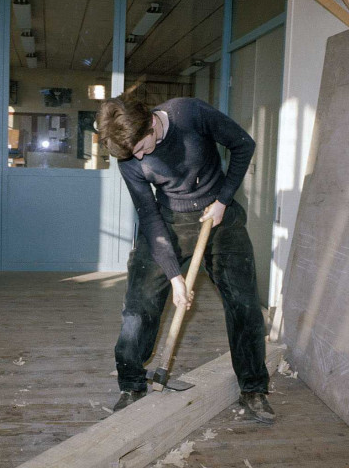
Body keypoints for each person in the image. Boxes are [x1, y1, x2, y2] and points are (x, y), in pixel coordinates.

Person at [96, 95, 274, 424]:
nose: (137, 157)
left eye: (140, 148)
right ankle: (132, 384)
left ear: (150, 122)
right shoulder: (129, 158)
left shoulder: (188, 114)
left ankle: (253, 389)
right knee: (140, 302)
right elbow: (149, 217)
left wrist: (223, 200)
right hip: (169, 221)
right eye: (130, 155)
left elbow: (242, 144)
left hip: (219, 213)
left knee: (244, 302)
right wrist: (175, 277)